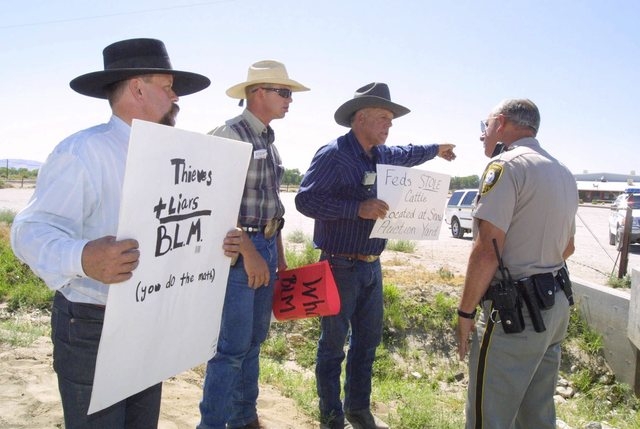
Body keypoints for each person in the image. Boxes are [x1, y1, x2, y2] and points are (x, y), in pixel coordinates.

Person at [10, 38, 243, 428]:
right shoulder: (85, 152)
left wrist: (216, 243)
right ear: (138, 88)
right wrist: (83, 257)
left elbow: (177, 231)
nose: (175, 98)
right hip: (92, 325)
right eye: (167, 87)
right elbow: (28, 230)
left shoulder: (178, 158)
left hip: (149, 321)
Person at [295, 82, 457, 429]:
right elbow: (305, 201)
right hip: (338, 264)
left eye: (391, 119)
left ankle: (358, 410)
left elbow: (408, 153)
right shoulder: (333, 154)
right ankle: (330, 416)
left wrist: (436, 149)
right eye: (384, 117)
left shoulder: (382, 155)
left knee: (367, 344)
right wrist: (358, 209)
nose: (389, 124)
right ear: (361, 117)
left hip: (371, 266)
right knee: (333, 347)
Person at [198, 60, 309, 429]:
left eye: (289, 93)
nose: (290, 100)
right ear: (257, 92)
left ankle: (244, 418)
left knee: (252, 342)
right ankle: (212, 424)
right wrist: (249, 253)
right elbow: (208, 204)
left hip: (263, 251)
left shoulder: (267, 140)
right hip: (237, 255)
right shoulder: (228, 135)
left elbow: (269, 208)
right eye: (284, 92)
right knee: (230, 350)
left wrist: (277, 259)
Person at [455, 99, 578, 428]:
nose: (483, 134)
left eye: (487, 125)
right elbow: (568, 247)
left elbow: (487, 250)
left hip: (516, 316)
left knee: (489, 416)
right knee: (536, 413)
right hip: (554, 306)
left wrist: (465, 313)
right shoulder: (562, 172)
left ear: (502, 123)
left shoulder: (506, 166)